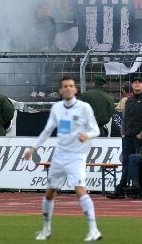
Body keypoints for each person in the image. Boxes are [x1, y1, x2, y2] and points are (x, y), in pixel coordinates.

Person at [22, 76, 102, 242]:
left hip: (76, 156)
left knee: (80, 189)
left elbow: (96, 129)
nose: (68, 88)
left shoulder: (84, 107)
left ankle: (94, 230)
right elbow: (47, 130)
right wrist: (33, 148)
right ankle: (46, 228)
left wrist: (87, 135)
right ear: (60, 90)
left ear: (75, 89)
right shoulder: (57, 108)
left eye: (71, 86)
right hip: (59, 155)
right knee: (50, 192)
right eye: (65, 86)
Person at [112, 75, 142, 198]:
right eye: (134, 82)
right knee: (126, 161)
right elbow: (124, 118)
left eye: (139, 83)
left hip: (140, 138)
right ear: (131, 85)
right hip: (127, 137)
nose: (136, 84)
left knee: (138, 162)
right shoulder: (128, 100)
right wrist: (122, 132)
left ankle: (140, 188)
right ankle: (122, 189)